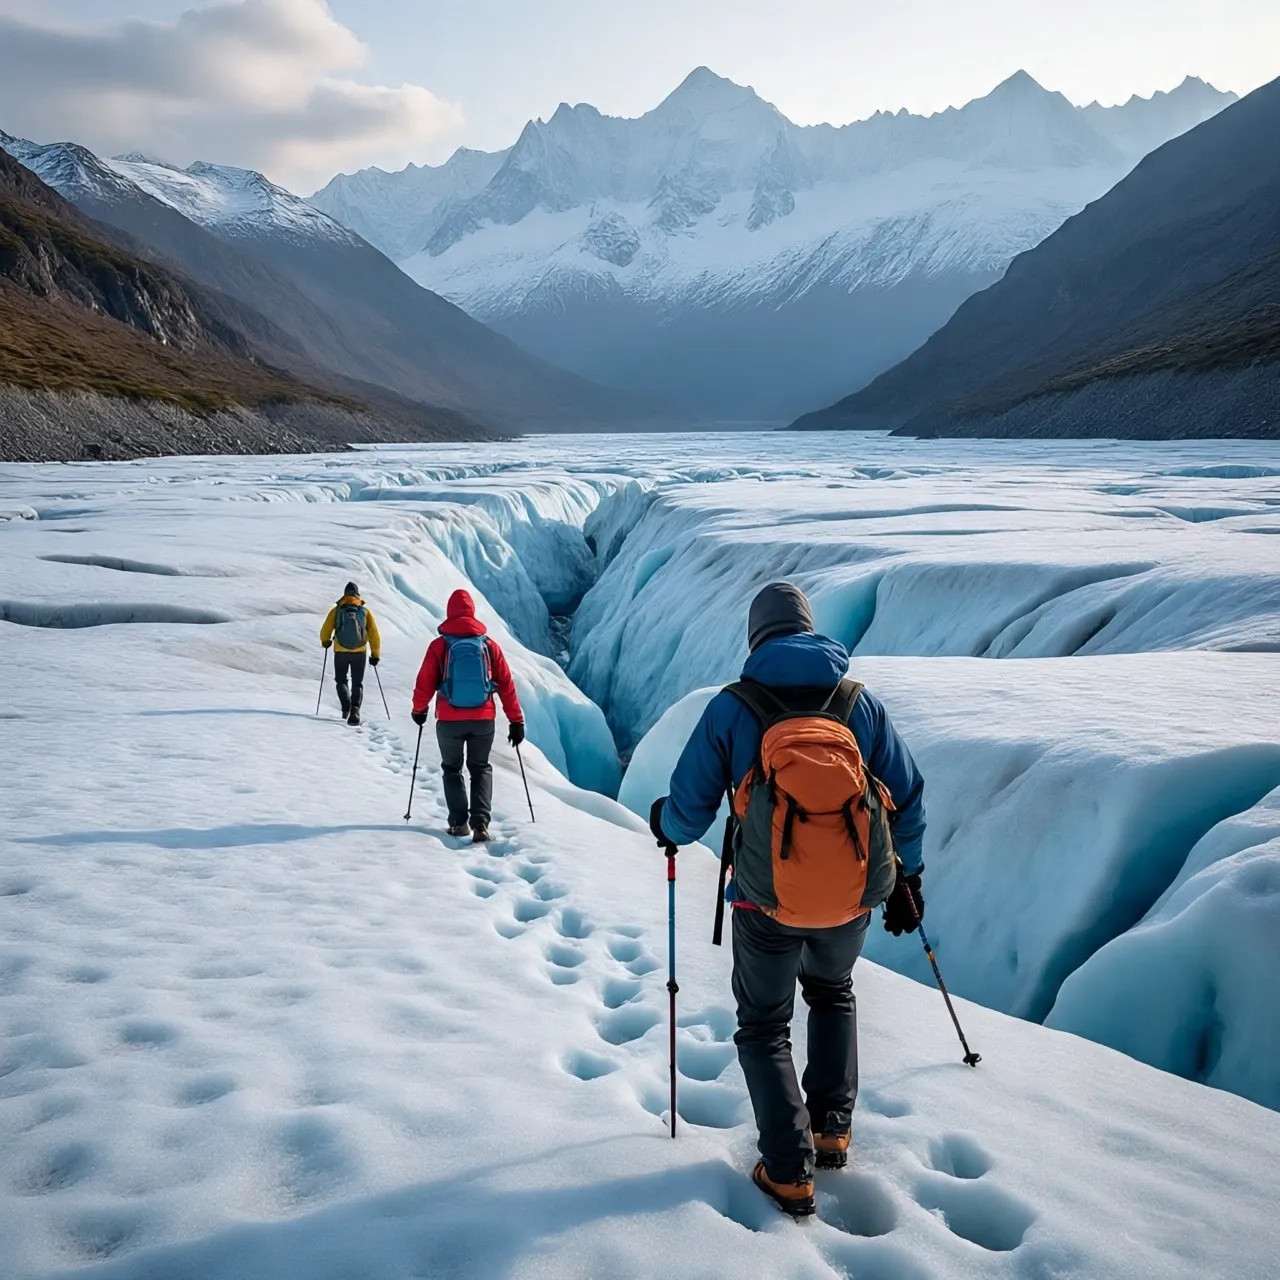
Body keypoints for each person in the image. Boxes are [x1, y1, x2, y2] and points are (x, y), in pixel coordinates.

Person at [649, 581, 925, 1219]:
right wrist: (907, 877)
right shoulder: (857, 703)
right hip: (850, 898)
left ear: (756, 638)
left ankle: (787, 1169)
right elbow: (907, 797)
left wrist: (664, 821)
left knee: (764, 1025)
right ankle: (831, 1130)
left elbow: (687, 813)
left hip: (763, 902)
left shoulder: (733, 707)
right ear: (808, 628)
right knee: (833, 993)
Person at [411, 589, 524, 843]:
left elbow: (424, 682)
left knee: (452, 769)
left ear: (450, 612)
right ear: (472, 611)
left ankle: (459, 824)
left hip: (449, 720)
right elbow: (506, 685)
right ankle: (481, 824)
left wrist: (419, 709)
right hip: (483, 719)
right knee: (480, 768)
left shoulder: (439, 646)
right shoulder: (488, 646)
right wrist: (516, 720)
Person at [320, 582, 381, 727]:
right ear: (357, 595)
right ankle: (355, 710)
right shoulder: (364, 612)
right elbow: (374, 634)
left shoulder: (337, 610)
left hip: (341, 651)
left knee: (341, 680)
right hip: (359, 652)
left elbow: (325, 629)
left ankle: (346, 706)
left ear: (345, 594)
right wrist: (375, 654)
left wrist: (325, 641)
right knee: (357, 682)